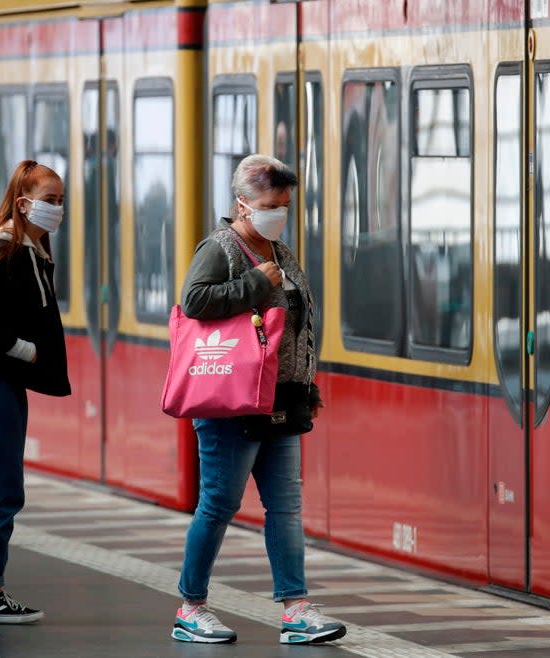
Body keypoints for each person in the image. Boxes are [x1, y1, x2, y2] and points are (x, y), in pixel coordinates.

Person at [171, 154, 346, 644]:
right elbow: (194, 302)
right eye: (271, 204)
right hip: (230, 401)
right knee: (218, 505)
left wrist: (306, 385)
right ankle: (191, 606)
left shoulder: (282, 252)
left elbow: (297, 324)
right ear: (242, 204)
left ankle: (295, 610)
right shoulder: (220, 248)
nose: (279, 213)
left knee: (286, 507)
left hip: (281, 399)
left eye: (285, 205)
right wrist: (253, 284)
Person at [0, 159, 71, 623]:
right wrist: (29, 353)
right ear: (23, 203)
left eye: (61, 202)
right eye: (49, 201)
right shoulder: (3, 251)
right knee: (2, 487)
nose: (57, 210)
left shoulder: (28, 248)